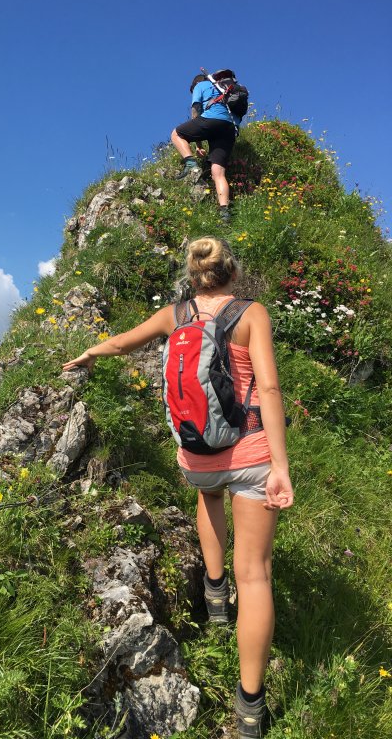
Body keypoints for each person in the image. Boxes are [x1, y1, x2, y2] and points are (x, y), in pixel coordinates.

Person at [63, 236, 294, 738]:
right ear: (233, 273)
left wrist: (89, 353)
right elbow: (270, 387)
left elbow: (123, 342)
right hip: (251, 454)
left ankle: (215, 600)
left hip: (197, 459)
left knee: (209, 497)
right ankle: (249, 709)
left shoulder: (175, 315)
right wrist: (280, 464)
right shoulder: (251, 314)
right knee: (255, 575)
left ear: (192, 278)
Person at [171, 71, 242, 223]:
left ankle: (191, 164)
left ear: (194, 85)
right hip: (230, 128)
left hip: (213, 119)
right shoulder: (225, 88)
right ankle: (225, 213)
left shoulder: (201, 85)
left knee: (176, 134)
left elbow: (196, 110)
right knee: (218, 173)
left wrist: (197, 144)